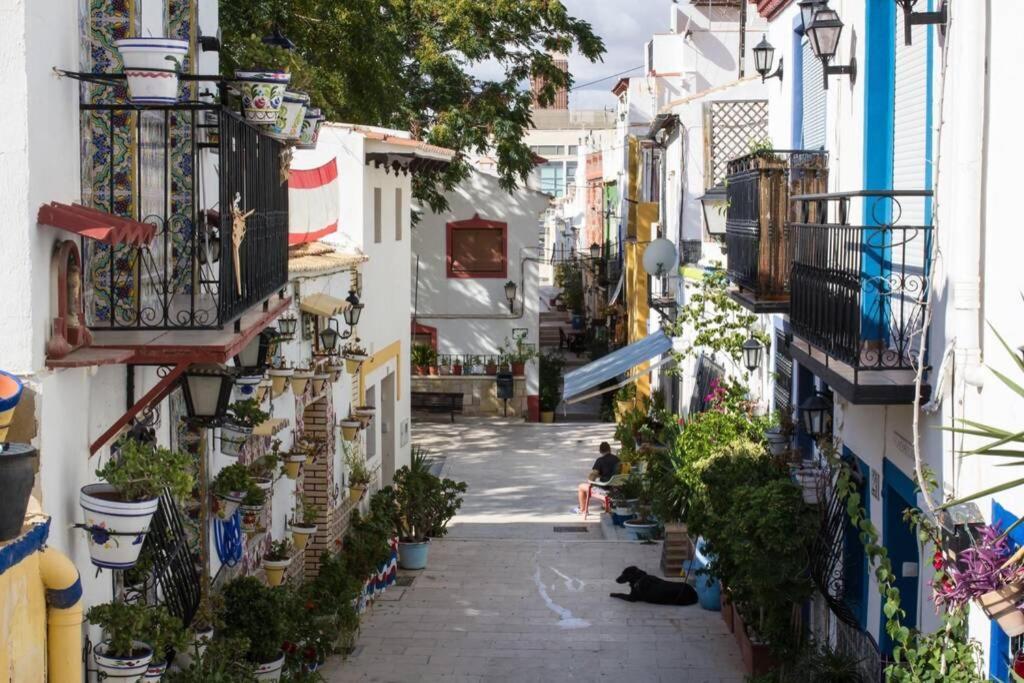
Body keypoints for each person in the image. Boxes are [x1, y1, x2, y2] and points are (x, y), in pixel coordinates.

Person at [573, 442, 620, 515]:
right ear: (610, 449)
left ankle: (582, 510)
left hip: (605, 489)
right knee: (598, 483)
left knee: (582, 487)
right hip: (615, 487)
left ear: (600, 451)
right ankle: (604, 505)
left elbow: (592, 476)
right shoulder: (617, 459)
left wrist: (591, 480)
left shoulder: (600, 460)